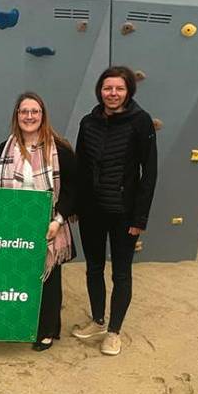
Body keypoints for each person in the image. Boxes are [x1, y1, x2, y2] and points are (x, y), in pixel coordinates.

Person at [72, 66, 158, 356]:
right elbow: (80, 168)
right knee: (94, 268)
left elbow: (150, 172)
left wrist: (140, 217)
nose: (112, 94)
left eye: (119, 89)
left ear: (128, 91)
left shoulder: (141, 122)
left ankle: (114, 331)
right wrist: (75, 206)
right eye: (108, 88)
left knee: (121, 273)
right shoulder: (88, 122)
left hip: (125, 213)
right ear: (100, 90)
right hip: (92, 210)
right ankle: (97, 320)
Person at [0, 93, 77, 351]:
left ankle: (46, 330)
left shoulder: (60, 149)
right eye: (24, 111)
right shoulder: (5, 148)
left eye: (34, 111)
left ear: (42, 115)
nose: (29, 116)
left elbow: (73, 189)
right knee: (16, 277)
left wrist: (58, 220)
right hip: (13, 225)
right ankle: (17, 323)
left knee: (47, 277)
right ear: (17, 115)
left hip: (49, 224)